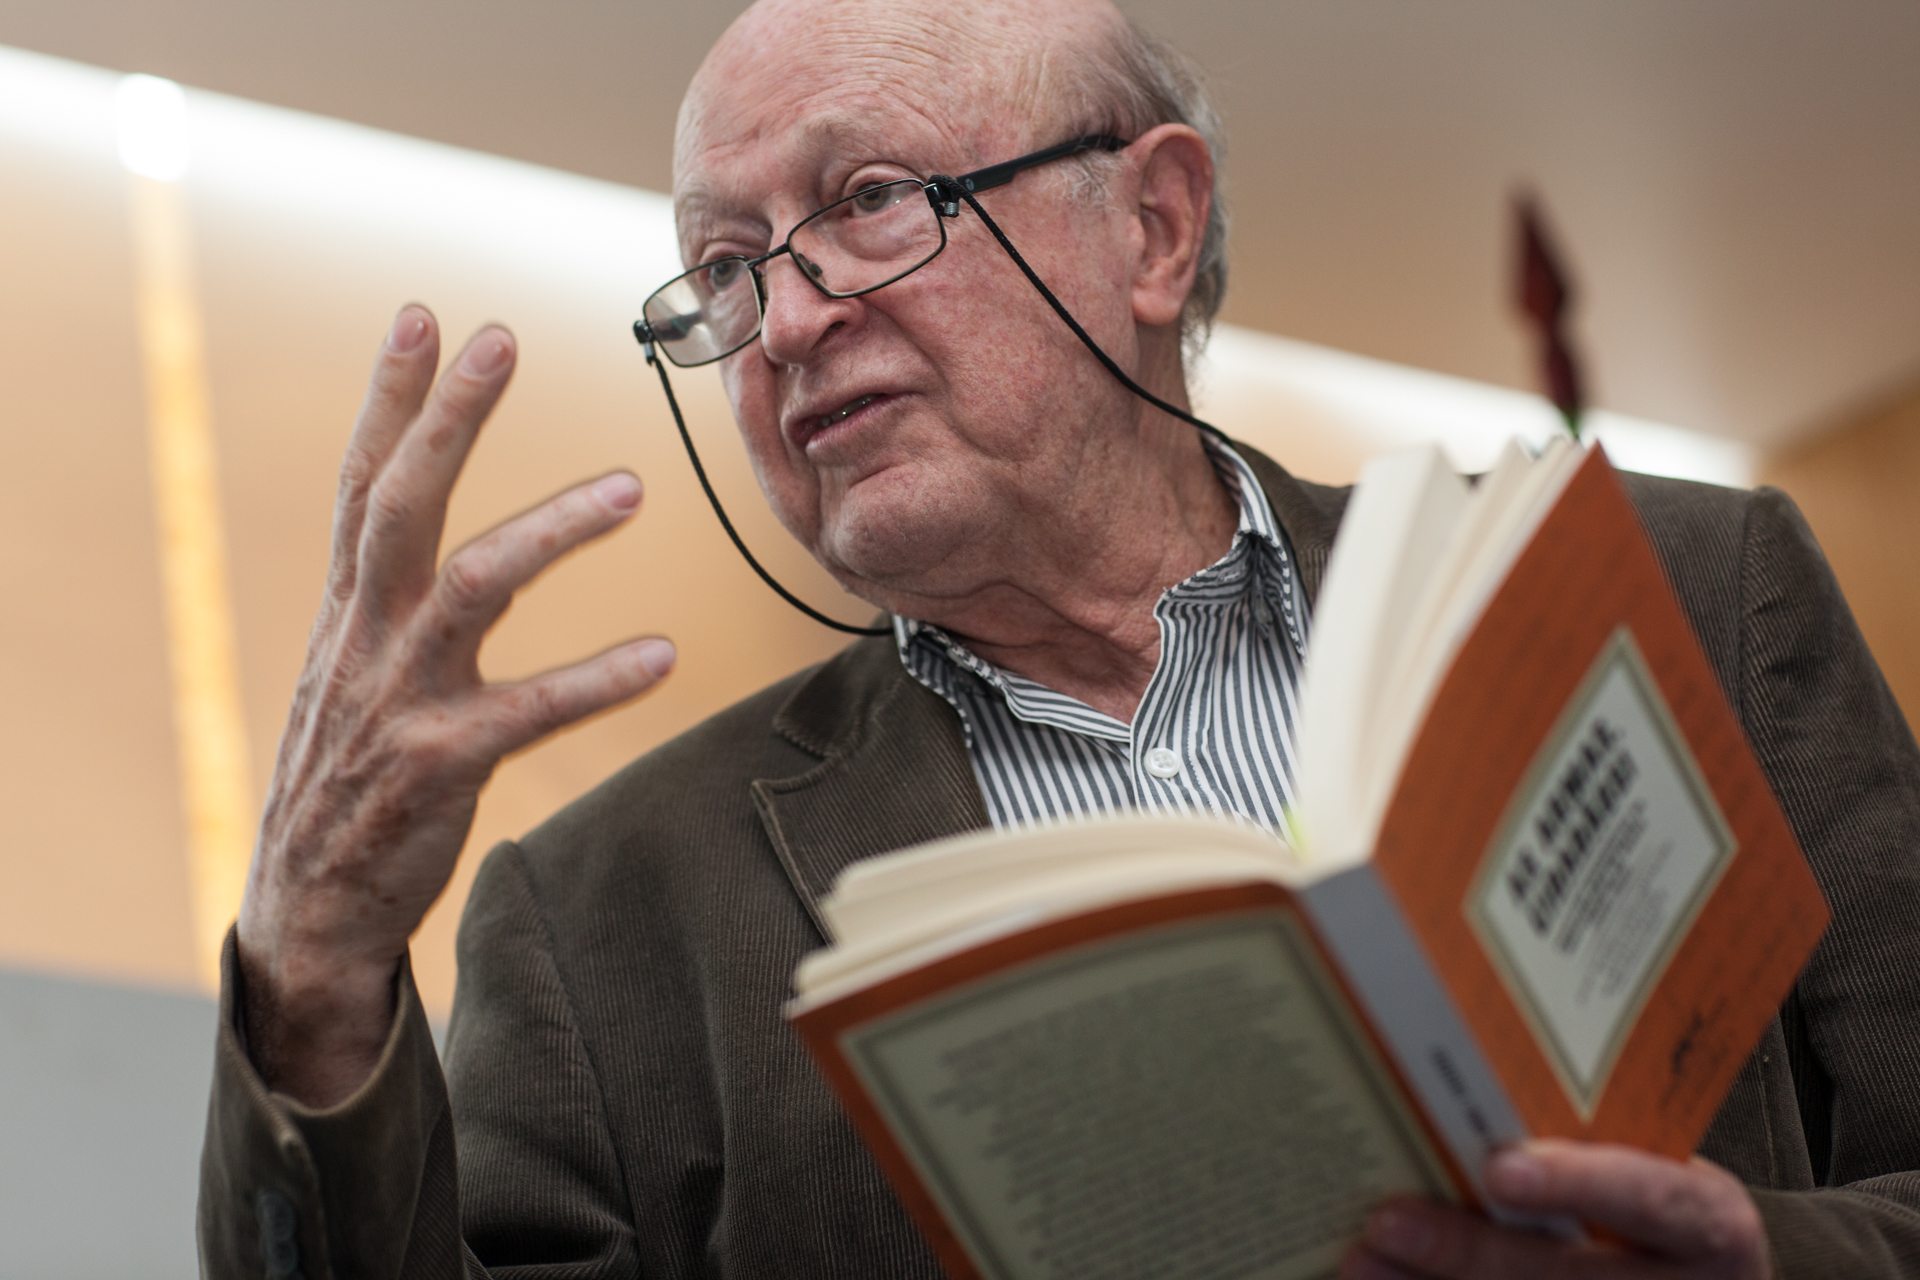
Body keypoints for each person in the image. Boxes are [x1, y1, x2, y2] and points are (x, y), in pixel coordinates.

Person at [198, 0, 1920, 1276]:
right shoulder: (603, 921)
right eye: (722, 270)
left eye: (867, 198)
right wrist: (314, 970)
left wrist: (1753, 1265)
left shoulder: (1690, 594)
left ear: (1152, 228)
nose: (782, 321)